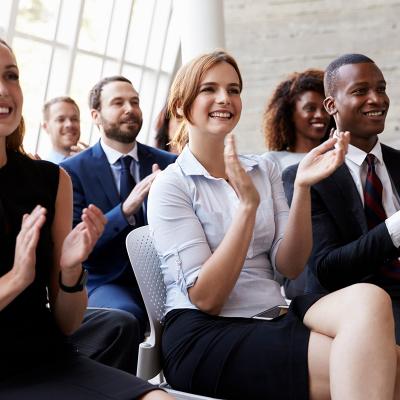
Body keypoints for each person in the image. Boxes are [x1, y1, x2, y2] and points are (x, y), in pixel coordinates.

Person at [147, 50, 400, 400]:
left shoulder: (263, 168)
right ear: (180, 106)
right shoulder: (171, 185)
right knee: (384, 369)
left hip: (273, 312)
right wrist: (248, 207)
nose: (225, 98)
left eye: (234, 89)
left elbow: (289, 265)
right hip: (207, 333)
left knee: (370, 298)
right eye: (210, 89)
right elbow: (207, 299)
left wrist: (302, 188)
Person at [0, 38, 171, 400]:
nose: (4, 89)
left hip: (45, 355)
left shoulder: (51, 179)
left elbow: (67, 322)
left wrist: (70, 272)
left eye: (11, 75)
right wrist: (16, 279)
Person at [283, 53, 400, 343]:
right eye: (360, 91)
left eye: (381, 88)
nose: (377, 99)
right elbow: (327, 270)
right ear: (331, 105)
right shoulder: (305, 176)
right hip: (353, 304)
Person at [60, 76, 177, 339]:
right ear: (96, 115)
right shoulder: (71, 172)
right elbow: (78, 244)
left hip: (167, 277)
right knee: (126, 316)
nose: (130, 109)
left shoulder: (170, 164)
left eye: (134, 101)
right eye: (118, 102)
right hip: (107, 281)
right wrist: (126, 208)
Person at [41, 95, 140, 375]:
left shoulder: (161, 162)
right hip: (98, 279)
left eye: (74, 118)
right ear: (45, 125)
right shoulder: (60, 173)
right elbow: (71, 244)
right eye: (61, 119)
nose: (70, 125)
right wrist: (125, 208)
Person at [262, 69, 334, 298]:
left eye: (324, 108)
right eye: (310, 108)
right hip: (302, 266)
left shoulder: (340, 158)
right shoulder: (272, 163)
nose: (320, 115)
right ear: (289, 113)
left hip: (340, 253)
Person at [41, 96, 88, 163]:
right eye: (61, 120)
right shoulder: (39, 170)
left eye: (74, 119)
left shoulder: (96, 164)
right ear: (46, 127)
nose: (69, 124)